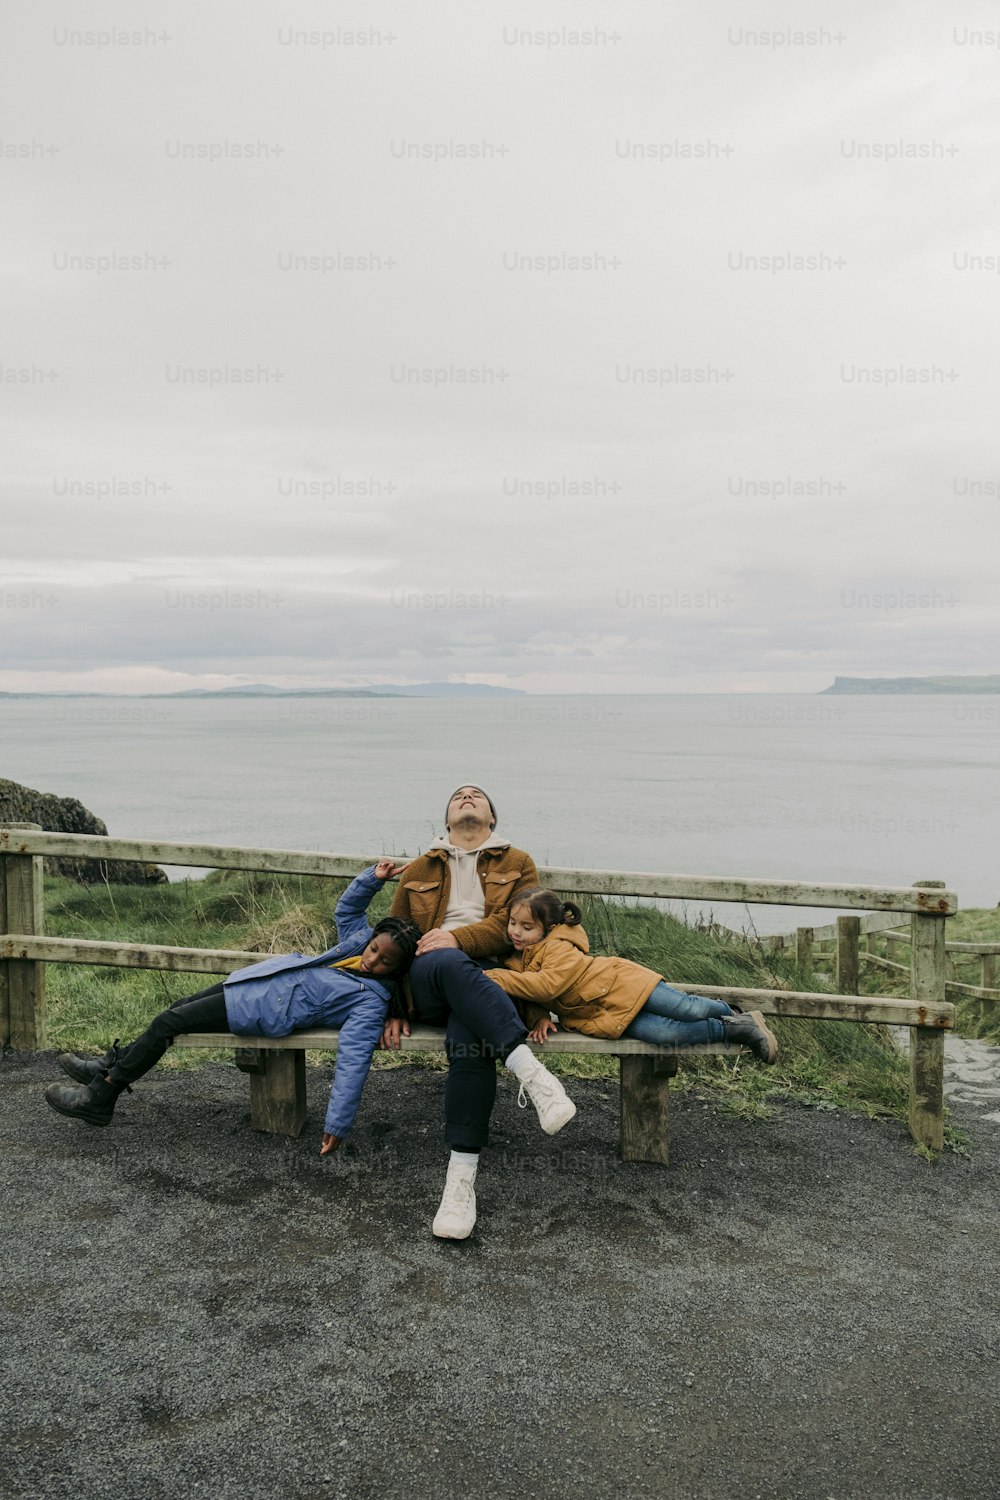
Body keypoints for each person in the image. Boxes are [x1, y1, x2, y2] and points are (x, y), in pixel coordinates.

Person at [44, 862, 421, 1152]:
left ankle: (101, 1095)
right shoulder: (356, 943)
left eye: (386, 962)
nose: (374, 961)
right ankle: (108, 1067)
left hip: (259, 1009)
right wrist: (372, 878)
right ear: (370, 939)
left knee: (166, 1023)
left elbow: (354, 1059)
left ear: (398, 969)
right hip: (250, 984)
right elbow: (347, 910)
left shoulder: (372, 1000)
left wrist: (337, 1124)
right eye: (375, 949)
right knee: (175, 1012)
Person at [381, 785, 577, 1241]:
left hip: (491, 979)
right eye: (458, 795)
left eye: (477, 795)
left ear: (492, 818)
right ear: (447, 820)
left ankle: (460, 1180)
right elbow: (393, 937)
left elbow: (518, 930)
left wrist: (461, 940)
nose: (467, 796)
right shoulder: (420, 867)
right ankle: (533, 1075)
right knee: (450, 962)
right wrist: (391, 1004)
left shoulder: (518, 863)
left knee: (470, 1036)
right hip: (430, 974)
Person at [483, 887, 779, 1060]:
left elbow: (546, 986)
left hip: (621, 984)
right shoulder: (514, 964)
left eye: (526, 927)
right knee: (666, 1034)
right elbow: (531, 994)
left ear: (547, 928)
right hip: (600, 1014)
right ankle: (737, 1028)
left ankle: (731, 1011)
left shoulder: (559, 945)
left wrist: (493, 976)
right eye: (512, 923)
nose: (516, 932)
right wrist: (540, 1018)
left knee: (687, 1007)